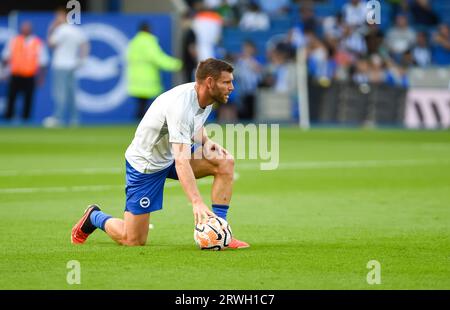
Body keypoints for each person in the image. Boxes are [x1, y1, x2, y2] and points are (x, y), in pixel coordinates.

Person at [71, 58, 249, 249]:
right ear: (210, 82)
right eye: (227, 82)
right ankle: (94, 216)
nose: (231, 87)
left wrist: (206, 142)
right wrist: (196, 202)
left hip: (171, 152)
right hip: (147, 164)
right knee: (132, 240)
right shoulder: (181, 105)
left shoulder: (205, 96)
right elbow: (182, 162)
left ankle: (220, 231)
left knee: (224, 161)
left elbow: (195, 123)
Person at [43, 8, 89, 127]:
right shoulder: (76, 30)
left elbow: (51, 44)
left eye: (58, 16)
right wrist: (82, 60)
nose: (56, 19)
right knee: (72, 93)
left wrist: (51, 29)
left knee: (60, 93)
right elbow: (85, 44)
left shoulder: (60, 30)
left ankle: (58, 118)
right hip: (72, 65)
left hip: (60, 65)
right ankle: (75, 119)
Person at [127, 22, 182, 120]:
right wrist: (176, 64)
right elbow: (158, 58)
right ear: (148, 29)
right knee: (149, 107)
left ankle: (136, 126)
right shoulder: (148, 42)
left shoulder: (133, 42)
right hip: (147, 80)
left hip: (135, 80)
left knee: (141, 106)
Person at [1, 21, 48, 122]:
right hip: (15, 74)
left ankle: (26, 121)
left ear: (31, 29)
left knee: (28, 99)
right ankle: (8, 119)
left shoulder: (37, 43)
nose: (25, 30)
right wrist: (4, 72)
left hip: (29, 75)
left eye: (27, 28)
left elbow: (43, 62)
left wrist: (41, 78)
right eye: (24, 27)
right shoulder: (14, 41)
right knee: (11, 98)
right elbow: (5, 58)